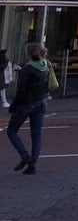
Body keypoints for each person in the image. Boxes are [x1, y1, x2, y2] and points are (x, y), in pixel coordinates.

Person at [6, 42, 51, 175]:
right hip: (41, 103)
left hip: (27, 104)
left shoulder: (28, 69)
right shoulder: (46, 65)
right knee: (36, 135)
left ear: (29, 54)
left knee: (11, 130)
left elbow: (21, 90)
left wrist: (13, 106)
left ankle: (24, 155)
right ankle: (32, 164)